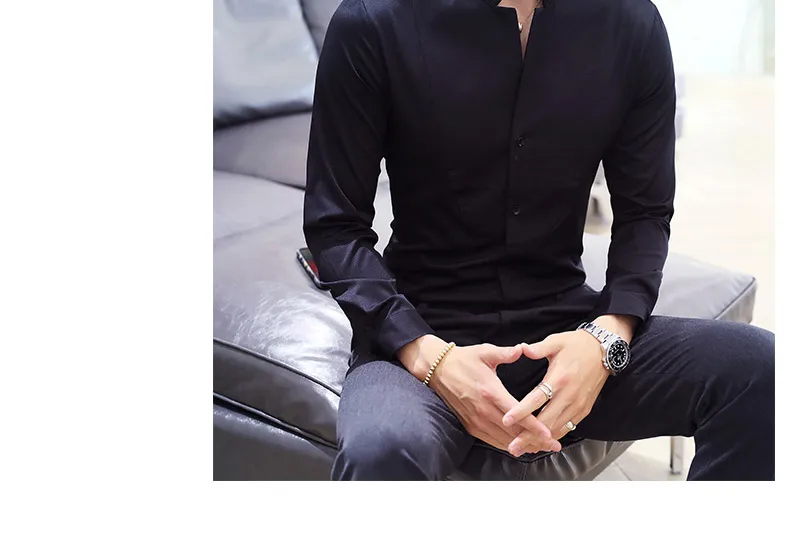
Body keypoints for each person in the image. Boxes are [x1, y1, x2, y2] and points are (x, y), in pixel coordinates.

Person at [303, 0, 775, 480]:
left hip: (565, 323)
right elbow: (336, 226)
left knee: (758, 369)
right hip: (420, 333)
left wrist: (606, 336)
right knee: (381, 449)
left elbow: (645, 213)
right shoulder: (373, 21)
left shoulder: (630, 23)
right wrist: (430, 357)